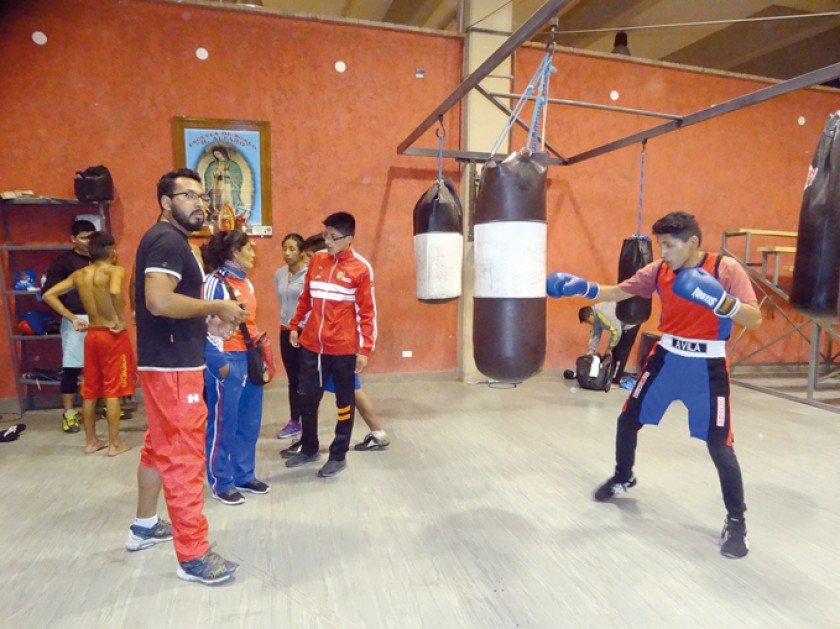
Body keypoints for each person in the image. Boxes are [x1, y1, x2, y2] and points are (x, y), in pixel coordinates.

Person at [547, 211, 762, 559]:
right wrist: (582, 288)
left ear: (692, 242)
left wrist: (720, 301)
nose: (664, 252)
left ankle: (736, 521)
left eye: (670, 245)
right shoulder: (659, 270)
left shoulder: (725, 269)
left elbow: (754, 318)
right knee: (628, 419)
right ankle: (623, 476)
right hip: (667, 358)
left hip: (707, 367)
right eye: (660, 244)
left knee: (720, 445)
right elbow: (619, 290)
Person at [126, 168, 247, 585]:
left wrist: (205, 324)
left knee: (157, 447)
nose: (199, 203)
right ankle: (193, 556)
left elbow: (159, 306)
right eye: (188, 196)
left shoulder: (173, 241)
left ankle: (144, 526)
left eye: (201, 196)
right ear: (165, 202)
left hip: (168, 361)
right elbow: (158, 301)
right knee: (182, 457)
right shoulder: (166, 240)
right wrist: (216, 308)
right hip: (173, 368)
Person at [285, 212, 377, 477]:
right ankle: (309, 448)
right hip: (312, 346)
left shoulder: (361, 269)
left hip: (343, 350)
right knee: (307, 399)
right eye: (325, 235)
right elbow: (306, 297)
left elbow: (367, 313)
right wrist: (295, 325)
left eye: (333, 237)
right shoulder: (317, 260)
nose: (327, 241)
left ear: (348, 238)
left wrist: (365, 349)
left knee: (344, 403)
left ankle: (338, 455)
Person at [42, 231, 134, 456]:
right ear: (112, 251)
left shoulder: (80, 274)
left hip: (92, 334)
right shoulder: (114, 270)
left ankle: (91, 442)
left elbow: (48, 295)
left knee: (90, 389)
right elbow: (114, 290)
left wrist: (72, 318)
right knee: (113, 390)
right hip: (111, 335)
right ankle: (114, 444)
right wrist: (120, 320)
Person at [201, 229, 270, 506]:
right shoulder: (213, 283)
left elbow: (249, 323)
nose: (254, 253)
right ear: (233, 253)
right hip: (226, 360)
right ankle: (221, 481)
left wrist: (261, 360)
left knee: (249, 423)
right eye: (248, 248)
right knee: (223, 426)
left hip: (249, 359)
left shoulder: (246, 283)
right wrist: (219, 365)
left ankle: (244, 475)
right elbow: (203, 324)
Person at [42, 219, 95, 433]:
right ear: (73, 239)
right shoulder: (64, 262)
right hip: (76, 320)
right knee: (72, 368)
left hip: (99, 320)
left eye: (92, 237)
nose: (88, 241)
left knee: (99, 367)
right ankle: (69, 413)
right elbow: (47, 294)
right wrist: (71, 317)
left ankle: (100, 407)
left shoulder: (100, 258)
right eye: (84, 237)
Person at [274, 233, 308, 441]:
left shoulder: (309, 275)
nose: (287, 253)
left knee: (305, 380)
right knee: (292, 379)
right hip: (285, 331)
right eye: (284, 248)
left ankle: (308, 424)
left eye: (292, 249)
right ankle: (294, 421)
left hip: (304, 333)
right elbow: (282, 301)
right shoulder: (279, 274)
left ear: (302, 253)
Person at [578, 303, 638, 384]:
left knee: (620, 353)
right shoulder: (595, 318)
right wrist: (591, 349)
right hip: (621, 326)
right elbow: (595, 333)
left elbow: (616, 332)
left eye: (588, 321)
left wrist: (610, 347)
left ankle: (615, 382)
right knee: (613, 353)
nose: (589, 323)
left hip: (631, 324)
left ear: (591, 314)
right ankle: (611, 376)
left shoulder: (604, 314)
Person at [204, 145, 244, 220]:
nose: (217, 156)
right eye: (215, 155)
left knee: (226, 198)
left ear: (223, 153)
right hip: (216, 184)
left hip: (227, 184)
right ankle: (217, 214)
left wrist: (226, 174)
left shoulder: (232, 164)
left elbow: (238, 175)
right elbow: (207, 174)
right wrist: (214, 173)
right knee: (216, 198)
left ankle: (228, 214)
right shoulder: (213, 164)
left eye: (218, 154)